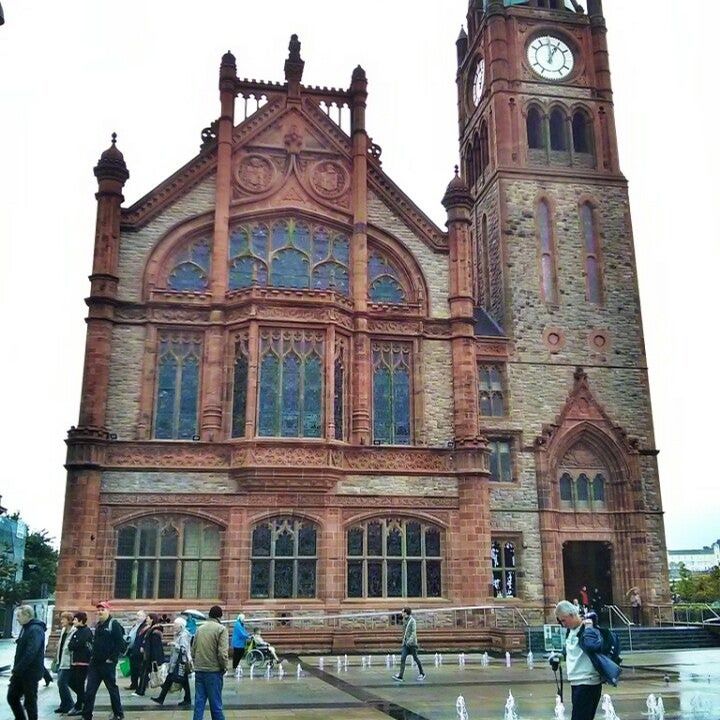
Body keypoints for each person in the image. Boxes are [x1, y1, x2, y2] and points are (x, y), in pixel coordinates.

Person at [554, 600, 621, 720]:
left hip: (588, 681)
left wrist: (589, 628)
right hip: (576, 681)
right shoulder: (570, 631)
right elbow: (570, 652)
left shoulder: (589, 629)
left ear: (572, 615)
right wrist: (557, 657)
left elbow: (592, 646)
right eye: (560, 621)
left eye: (563, 620)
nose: (562, 624)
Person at [81, 602, 126, 720]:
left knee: (112, 689)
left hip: (107, 664)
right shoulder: (98, 625)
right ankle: (86, 715)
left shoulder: (113, 624)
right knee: (90, 690)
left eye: (103, 610)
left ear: (108, 611)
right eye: (99, 610)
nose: (100, 612)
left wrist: (112, 658)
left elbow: (120, 644)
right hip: (95, 663)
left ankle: (118, 713)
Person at [7, 604, 46, 720]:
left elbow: (31, 652)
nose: (17, 619)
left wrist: (18, 669)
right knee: (12, 697)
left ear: (27, 615)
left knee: (30, 701)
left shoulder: (35, 629)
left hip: (30, 673)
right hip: (21, 672)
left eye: (19, 616)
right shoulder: (26, 628)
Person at [192, 604, 228, 720]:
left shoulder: (200, 629)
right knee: (216, 704)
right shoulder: (221, 629)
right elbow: (222, 653)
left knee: (199, 704)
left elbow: (193, 649)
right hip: (213, 671)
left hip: (199, 670)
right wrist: (224, 667)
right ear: (220, 616)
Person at [152, 617, 192, 707]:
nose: (174, 626)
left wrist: (175, 644)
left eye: (176, 625)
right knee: (171, 680)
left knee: (182, 681)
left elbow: (184, 649)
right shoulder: (177, 634)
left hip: (181, 662)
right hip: (175, 662)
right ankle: (161, 698)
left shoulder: (184, 635)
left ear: (181, 626)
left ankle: (187, 699)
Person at [67, 612, 93, 717]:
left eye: (75, 620)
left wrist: (75, 644)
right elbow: (71, 645)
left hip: (83, 662)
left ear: (81, 621)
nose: (73, 622)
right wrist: (75, 644)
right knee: (72, 681)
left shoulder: (86, 631)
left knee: (79, 683)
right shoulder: (76, 631)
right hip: (75, 661)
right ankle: (83, 699)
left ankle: (79, 705)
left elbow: (79, 644)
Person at [392, 607, 425, 682]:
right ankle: (400, 676)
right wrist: (403, 641)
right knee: (402, 658)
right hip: (405, 644)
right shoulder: (404, 620)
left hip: (412, 644)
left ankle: (422, 673)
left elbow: (413, 632)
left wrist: (409, 641)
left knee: (416, 658)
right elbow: (404, 632)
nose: (401, 613)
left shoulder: (412, 621)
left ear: (406, 613)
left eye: (402, 612)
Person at [135, 614, 165, 696]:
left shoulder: (154, 631)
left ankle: (141, 691)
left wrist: (154, 658)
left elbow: (155, 645)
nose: (146, 620)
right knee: (149, 673)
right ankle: (141, 690)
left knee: (150, 673)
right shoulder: (151, 629)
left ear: (152, 619)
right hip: (149, 655)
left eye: (147, 618)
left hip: (152, 656)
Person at [54, 611, 77, 714]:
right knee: (62, 683)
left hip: (68, 662)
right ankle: (64, 705)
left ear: (69, 620)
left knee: (62, 683)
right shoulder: (63, 630)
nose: (61, 621)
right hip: (61, 660)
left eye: (63, 619)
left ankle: (70, 704)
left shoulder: (74, 631)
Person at [124, 610, 147, 691]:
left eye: (140, 615)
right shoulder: (135, 625)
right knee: (133, 668)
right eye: (137, 615)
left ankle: (142, 684)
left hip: (139, 649)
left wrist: (142, 646)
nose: (137, 617)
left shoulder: (145, 626)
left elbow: (145, 638)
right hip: (132, 649)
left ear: (144, 617)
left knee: (139, 668)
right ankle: (134, 684)